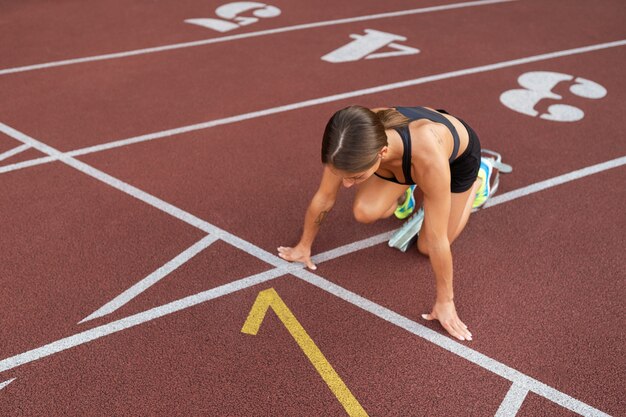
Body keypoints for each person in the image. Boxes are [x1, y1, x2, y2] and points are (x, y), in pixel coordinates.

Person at [278, 105, 492, 341]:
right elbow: (325, 196)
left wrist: (445, 301)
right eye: (345, 176)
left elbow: (438, 238)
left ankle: (479, 179)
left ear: (381, 152)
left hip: (455, 160)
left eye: (356, 176)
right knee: (363, 211)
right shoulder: (346, 142)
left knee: (426, 247)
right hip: (403, 159)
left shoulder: (427, 157)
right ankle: (406, 190)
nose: (347, 185)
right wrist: (303, 245)